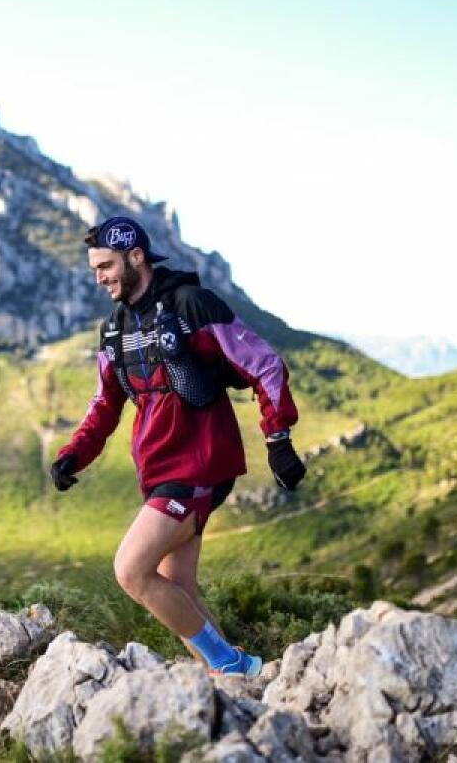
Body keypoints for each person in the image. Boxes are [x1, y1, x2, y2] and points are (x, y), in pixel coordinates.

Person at [50, 215, 306, 676]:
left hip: (200, 462)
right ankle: (236, 683)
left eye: (106, 265)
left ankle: (234, 664)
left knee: (131, 569)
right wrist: (74, 454)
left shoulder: (192, 305)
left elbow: (264, 364)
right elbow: (103, 404)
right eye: (94, 270)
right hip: (158, 470)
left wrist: (278, 438)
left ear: (136, 256)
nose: (99, 277)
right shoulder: (114, 331)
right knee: (175, 587)